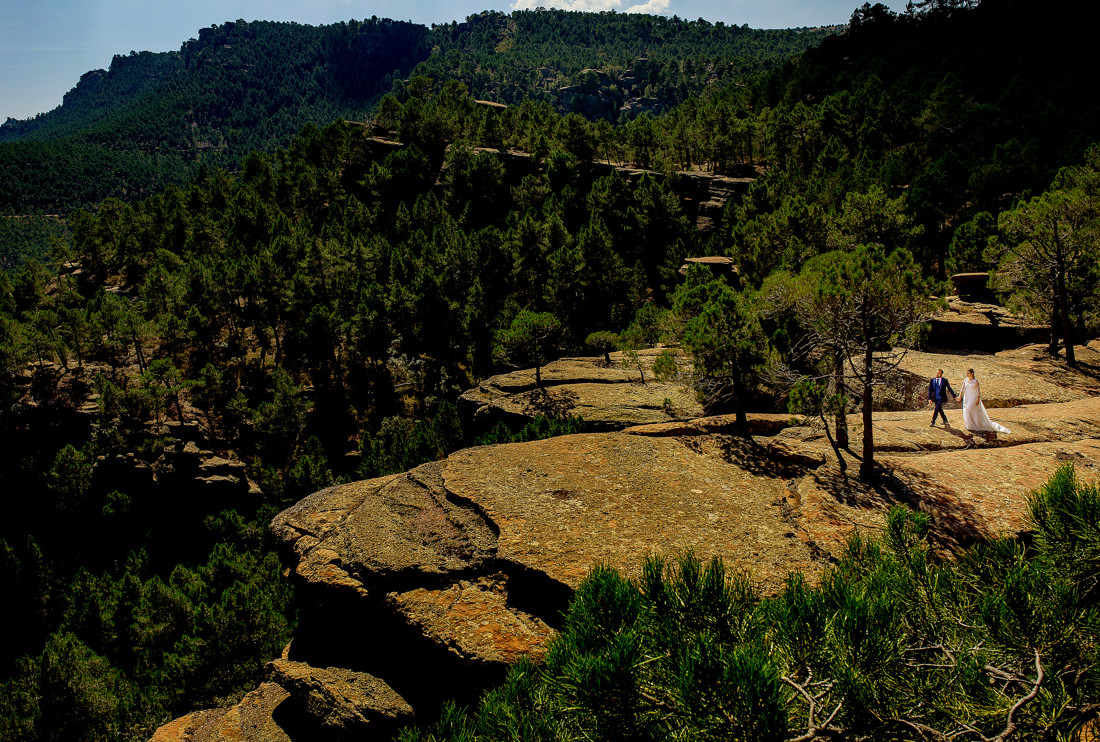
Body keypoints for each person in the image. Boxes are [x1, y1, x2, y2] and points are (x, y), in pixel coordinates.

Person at [959, 368, 1010, 435]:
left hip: (973, 397)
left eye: (968, 373)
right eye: (967, 373)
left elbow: (978, 391)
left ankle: (975, 425)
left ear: (972, 373)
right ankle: (969, 425)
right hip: (966, 397)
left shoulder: (975, 381)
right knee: (966, 411)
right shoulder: (965, 380)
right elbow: (962, 388)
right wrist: (960, 396)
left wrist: (978, 400)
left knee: (969, 409)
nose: (967, 374)